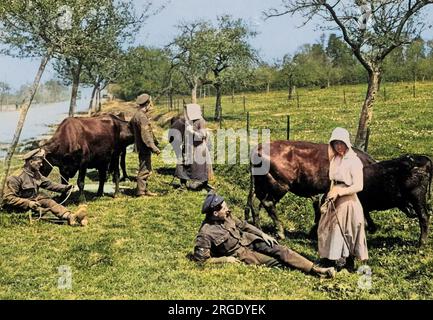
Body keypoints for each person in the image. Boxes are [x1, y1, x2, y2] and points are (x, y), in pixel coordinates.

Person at [191, 192, 336, 278]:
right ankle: (312, 271)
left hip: (250, 240)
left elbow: (244, 225)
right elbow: (202, 260)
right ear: (215, 213)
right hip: (241, 253)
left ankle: (315, 269)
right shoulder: (205, 234)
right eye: (224, 208)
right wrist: (226, 259)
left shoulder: (226, 216)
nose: (227, 209)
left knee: (281, 249)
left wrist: (263, 234)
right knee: (274, 261)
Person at [318, 127, 368, 271]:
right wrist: (330, 195)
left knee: (345, 229)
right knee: (327, 227)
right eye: (335, 143)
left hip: (347, 199)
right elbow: (333, 180)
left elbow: (359, 186)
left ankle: (348, 261)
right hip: (334, 197)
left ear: (347, 143)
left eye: (341, 143)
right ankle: (330, 258)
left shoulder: (354, 161)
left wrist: (340, 192)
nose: (338, 146)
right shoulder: (335, 159)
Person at [3, 148, 88, 226]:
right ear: (31, 162)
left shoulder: (35, 173)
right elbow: (8, 198)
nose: (41, 165)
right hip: (18, 207)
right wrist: (28, 203)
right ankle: (69, 220)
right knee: (43, 211)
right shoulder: (15, 178)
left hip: (33, 200)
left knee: (49, 202)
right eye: (39, 163)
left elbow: (49, 184)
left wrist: (67, 188)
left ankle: (70, 216)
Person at [171, 104, 213, 191]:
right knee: (182, 164)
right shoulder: (188, 121)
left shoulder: (201, 121)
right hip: (188, 146)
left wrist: (192, 131)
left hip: (198, 147)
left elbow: (202, 135)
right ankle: (183, 184)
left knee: (200, 167)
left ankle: (203, 184)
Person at [130, 93, 161, 197]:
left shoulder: (136, 115)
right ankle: (141, 192)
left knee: (146, 167)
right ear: (147, 103)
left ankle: (144, 189)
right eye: (150, 103)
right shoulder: (142, 117)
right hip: (144, 147)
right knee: (144, 169)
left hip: (140, 145)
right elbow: (146, 135)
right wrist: (154, 147)